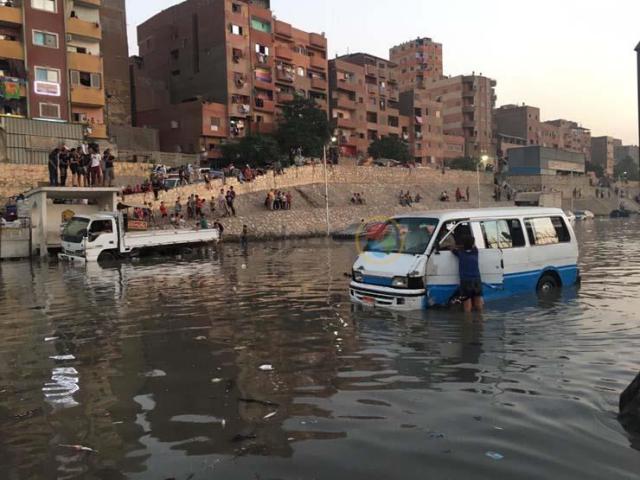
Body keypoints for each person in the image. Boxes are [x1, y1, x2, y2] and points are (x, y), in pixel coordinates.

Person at [452, 235, 483, 313]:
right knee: (478, 303)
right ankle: (480, 320)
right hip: (477, 280)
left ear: (463, 244)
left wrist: (459, 246)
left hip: (466, 281)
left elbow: (452, 249)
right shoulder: (475, 252)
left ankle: (468, 322)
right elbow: (473, 246)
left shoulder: (460, 253)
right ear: (473, 244)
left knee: (467, 305)